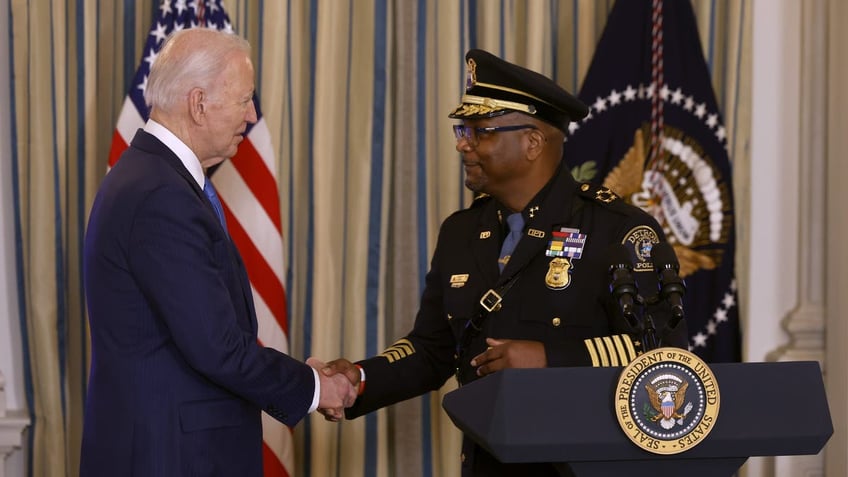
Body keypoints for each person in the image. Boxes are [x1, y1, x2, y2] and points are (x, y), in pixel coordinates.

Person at [320, 49, 688, 476]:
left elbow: (664, 356)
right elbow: (433, 349)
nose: (463, 143)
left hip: (585, 466)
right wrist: (360, 378)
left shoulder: (619, 231)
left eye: (480, 131)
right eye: (463, 130)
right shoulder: (461, 231)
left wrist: (550, 357)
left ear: (532, 142)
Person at [80, 28, 354, 476]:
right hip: (168, 457)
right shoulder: (159, 194)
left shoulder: (153, 178)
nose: (250, 116)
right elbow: (217, 348)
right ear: (198, 103)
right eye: (245, 99)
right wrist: (313, 388)